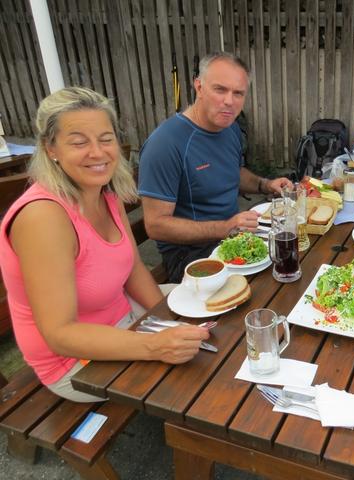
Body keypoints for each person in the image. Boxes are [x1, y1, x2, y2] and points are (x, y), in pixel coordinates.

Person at [0, 87, 209, 402]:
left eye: (105, 139)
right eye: (79, 142)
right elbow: (60, 335)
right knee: (201, 381)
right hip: (74, 361)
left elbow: (134, 269)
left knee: (215, 307)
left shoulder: (105, 193)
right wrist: (156, 345)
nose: (97, 153)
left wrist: (166, 317)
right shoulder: (43, 217)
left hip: (124, 315)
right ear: (50, 148)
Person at [138, 52, 292, 283]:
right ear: (199, 87)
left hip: (233, 239)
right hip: (190, 256)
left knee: (292, 252)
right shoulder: (165, 144)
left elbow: (232, 172)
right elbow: (156, 225)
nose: (229, 101)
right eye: (220, 89)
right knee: (274, 283)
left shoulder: (230, 128)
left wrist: (265, 184)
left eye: (238, 93)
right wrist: (226, 228)